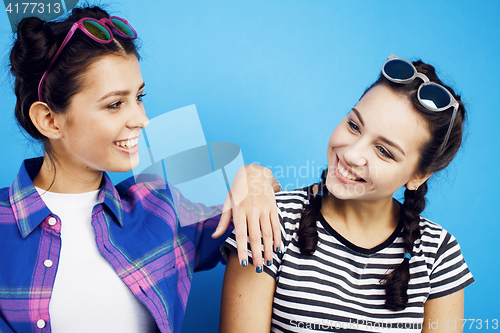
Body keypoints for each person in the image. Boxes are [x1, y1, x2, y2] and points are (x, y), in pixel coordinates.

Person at [0, 6, 280, 333]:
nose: (141, 119)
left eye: (139, 97)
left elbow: (259, 220)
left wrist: (254, 177)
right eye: (115, 104)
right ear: (50, 120)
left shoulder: (160, 204)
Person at [221, 55, 474, 333]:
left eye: (384, 151)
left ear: (418, 176)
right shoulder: (269, 219)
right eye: (354, 125)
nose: (352, 154)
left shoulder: (438, 254)